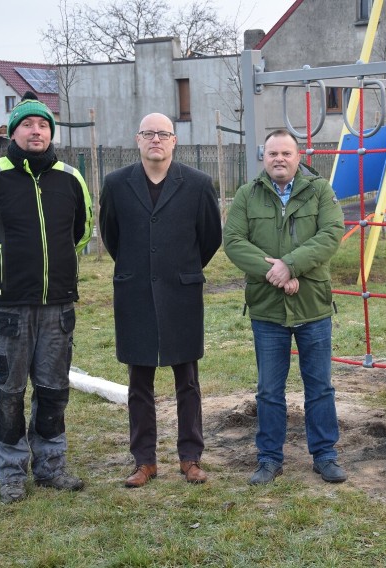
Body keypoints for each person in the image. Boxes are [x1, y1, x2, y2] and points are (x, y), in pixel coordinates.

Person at [0, 92, 93, 504]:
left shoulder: (70, 177)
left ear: (51, 132)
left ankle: (51, 466)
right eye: (28, 125)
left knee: (53, 388)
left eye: (44, 125)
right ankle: (11, 472)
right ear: (13, 131)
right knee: (9, 392)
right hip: (8, 307)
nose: (37, 131)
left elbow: (81, 233)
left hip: (58, 306)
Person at [99, 113, 222, 487]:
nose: (156, 139)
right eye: (149, 133)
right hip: (134, 291)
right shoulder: (117, 184)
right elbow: (111, 236)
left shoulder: (198, 184)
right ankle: (144, 461)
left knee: (187, 380)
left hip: (180, 292)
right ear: (137, 140)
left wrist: (180, 268)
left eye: (163, 134)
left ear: (174, 141)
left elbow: (210, 237)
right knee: (139, 382)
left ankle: (190, 458)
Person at [223, 129, 347, 485]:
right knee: (269, 389)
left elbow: (330, 235)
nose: (279, 159)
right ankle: (268, 458)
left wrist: (290, 264)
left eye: (286, 153)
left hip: (313, 307)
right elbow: (233, 241)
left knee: (320, 386)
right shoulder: (248, 195)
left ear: (298, 156)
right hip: (267, 310)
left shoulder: (319, 191)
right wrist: (275, 272)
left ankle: (325, 455)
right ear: (264, 157)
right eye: (272, 153)